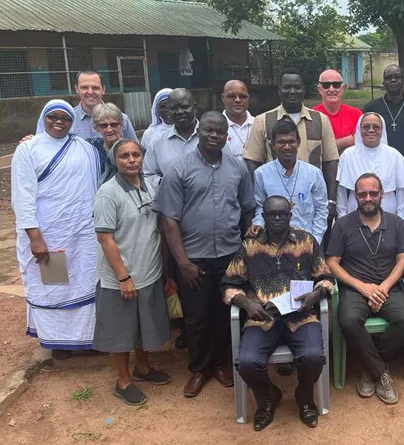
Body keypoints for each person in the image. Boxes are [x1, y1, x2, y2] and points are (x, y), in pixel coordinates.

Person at [154, 111, 256, 398]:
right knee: (196, 317)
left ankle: (222, 364)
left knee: (225, 314)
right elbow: (169, 220)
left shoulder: (237, 168)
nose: (214, 135)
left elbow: (247, 209)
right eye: (209, 130)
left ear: (227, 136)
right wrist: (182, 262)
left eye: (220, 132)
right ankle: (199, 369)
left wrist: (246, 252)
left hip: (229, 256)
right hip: (193, 258)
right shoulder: (179, 169)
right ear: (199, 131)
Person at [223, 195, 334, 431]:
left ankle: (304, 397)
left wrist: (316, 295)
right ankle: (267, 397)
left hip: (300, 316)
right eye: (271, 214)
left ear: (290, 216)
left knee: (314, 356)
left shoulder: (306, 241)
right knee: (247, 362)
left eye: (282, 214)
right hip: (262, 318)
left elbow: (326, 278)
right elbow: (228, 284)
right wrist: (246, 304)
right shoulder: (250, 245)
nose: (276, 218)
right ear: (263, 217)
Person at [11, 100, 101, 359]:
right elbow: (22, 197)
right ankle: (58, 342)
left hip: (81, 234)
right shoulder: (28, 149)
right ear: (44, 118)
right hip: (48, 236)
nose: (59, 122)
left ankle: (87, 339)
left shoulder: (84, 148)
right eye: (53, 117)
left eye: (65, 118)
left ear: (72, 122)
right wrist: (35, 237)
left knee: (83, 283)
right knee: (55, 286)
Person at [326, 173, 404, 405]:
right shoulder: (343, 225)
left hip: (388, 288)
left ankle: (371, 368)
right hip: (355, 289)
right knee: (348, 320)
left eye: (373, 193)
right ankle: (381, 372)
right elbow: (332, 262)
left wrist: (383, 287)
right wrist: (363, 288)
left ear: (382, 194)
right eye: (362, 194)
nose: (368, 198)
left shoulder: (395, 223)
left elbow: (402, 260)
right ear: (355, 196)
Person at [93, 139, 171, 406]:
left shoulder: (150, 185)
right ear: (115, 161)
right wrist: (123, 277)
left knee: (142, 325)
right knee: (121, 330)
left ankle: (143, 368)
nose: (131, 160)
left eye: (136, 154)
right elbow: (105, 239)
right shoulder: (108, 193)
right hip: (121, 276)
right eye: (124, 156)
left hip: (148, 271)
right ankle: (123, 380)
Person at [242, 68, 338, 224]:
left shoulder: (321, 120)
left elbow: (330, 162)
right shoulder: (263, 120)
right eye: (287, 87)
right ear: (279, 91)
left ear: (304, 90)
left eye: (297, 87)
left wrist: (331, 200)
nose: (292, 91)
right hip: (275, 207)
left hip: (312, 203)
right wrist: (259, 202)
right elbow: (253, 162)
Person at [363, 64, 404, 253]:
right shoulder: (372, 108)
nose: (393, 81)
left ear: (403, 81)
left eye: (397, 77)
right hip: (379, 172)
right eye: (389, 77)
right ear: (383, 82)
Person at [248, 120, 328, 245]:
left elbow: (321, 210)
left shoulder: (313, 173)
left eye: (291, 141)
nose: (286, 146)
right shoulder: (261, 174)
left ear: (298, 142)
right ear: (273, 144)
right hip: (274, 242)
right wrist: (258, 223)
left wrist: (315, 239)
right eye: (281, 142)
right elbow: (260, 207)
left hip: (306, 241)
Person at [336, 112, 404, 219]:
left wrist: (401, 216)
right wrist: (342, 215)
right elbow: (341, 190)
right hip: (355, 215)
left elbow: (403, 190)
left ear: (382, 130)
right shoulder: (348, 155)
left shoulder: (393, 155)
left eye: (376, 127)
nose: (371, 130)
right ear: (359, 129)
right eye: (366, 127)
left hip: (388, 215)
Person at [35, 70, 137, 140]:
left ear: (103, 89)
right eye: (84, 87)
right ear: (77, 89)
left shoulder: (122, 119)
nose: (90, 92)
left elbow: (136, 150)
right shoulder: (67, 120)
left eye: (95, 88)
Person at [143, 88, 202, 184]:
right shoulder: (157, 142)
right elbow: (148, 175)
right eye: (174, 108)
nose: (179, 112)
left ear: (195, 108)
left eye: (184, 107)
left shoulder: (212, 137)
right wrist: (168, 184)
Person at [313, 69, 363, 153]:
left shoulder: (357, 115)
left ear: (343, 88)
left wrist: (328, 145)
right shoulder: (312, 115)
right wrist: (349, 140)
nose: (332, 89)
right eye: (326, 85)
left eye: (336, 85)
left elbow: (360, 143)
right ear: (319, 89)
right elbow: (315, 148)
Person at [87, 103, 126, 183]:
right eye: (103, 126)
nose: (109, 130)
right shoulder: (92, 147)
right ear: (96, 127)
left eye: (114, 124)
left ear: (121, 124)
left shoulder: (133, 149)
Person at [221, 80, 256, 159]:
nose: (237, 100)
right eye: (231, 96)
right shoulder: (216, 127)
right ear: (223, 98)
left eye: (243, 96)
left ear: (248, 98)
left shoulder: (259, 124)